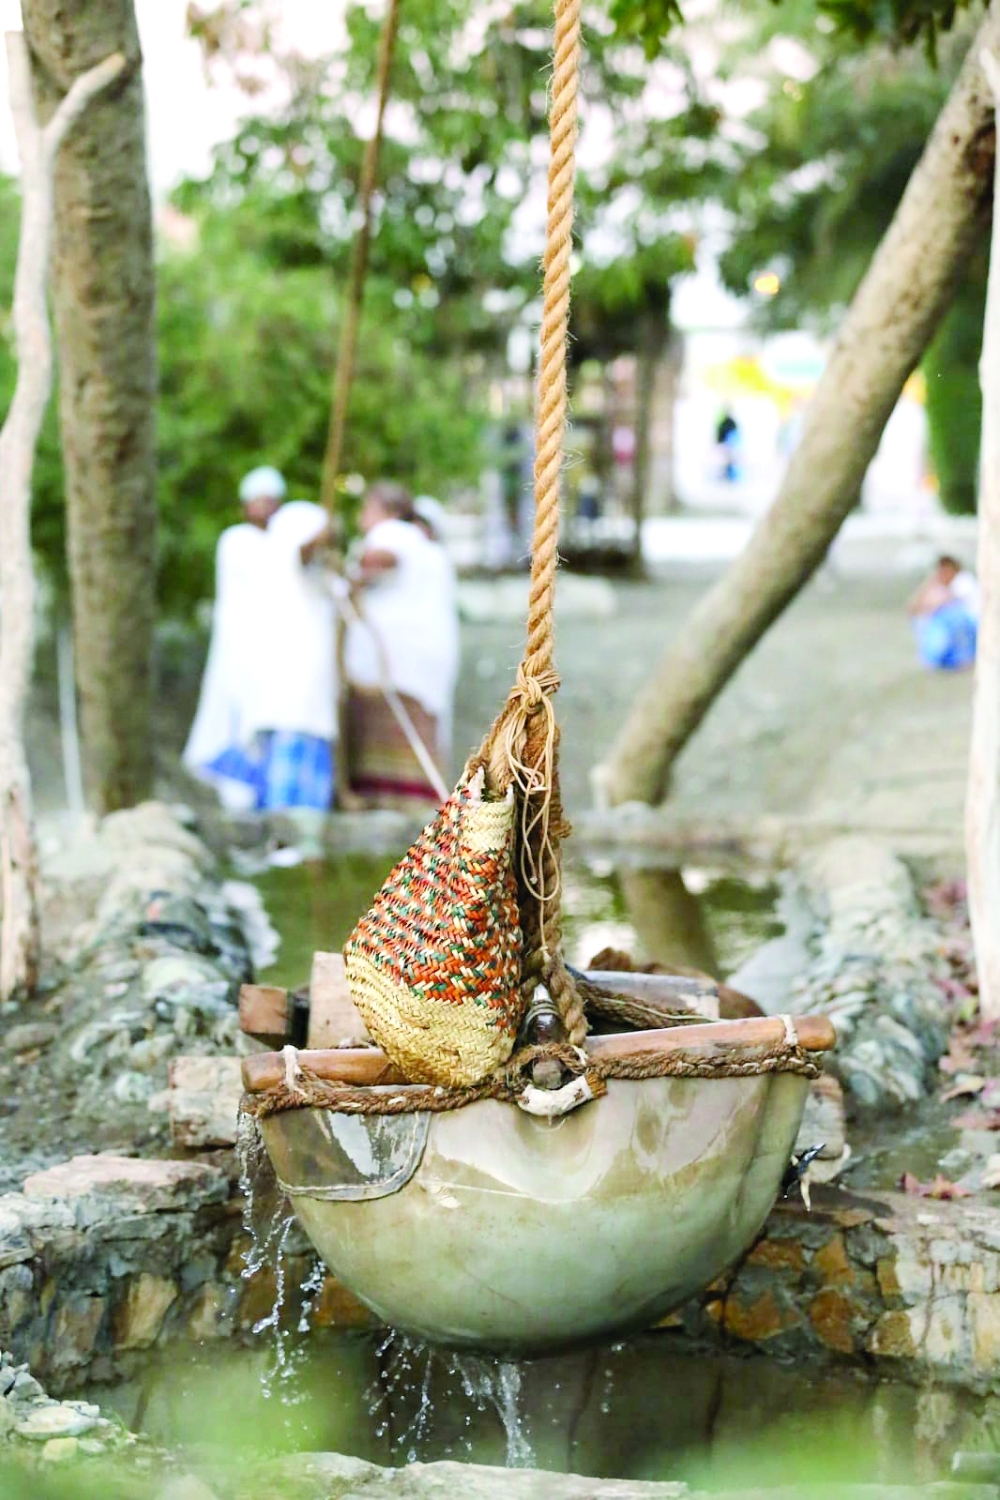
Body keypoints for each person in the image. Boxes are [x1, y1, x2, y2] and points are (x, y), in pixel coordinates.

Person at [183, 466, 340, 826]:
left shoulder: (282, 541)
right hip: (242, 648)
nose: (266, 507)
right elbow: (293, 558)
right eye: (259, 501)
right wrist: (317, 536)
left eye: (272, 501)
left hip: (277, 653)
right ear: (245, 506)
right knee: (241, 726)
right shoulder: (240, 541)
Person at [343, 482, 458, 809]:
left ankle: (385, 800)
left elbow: (380, 559)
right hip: (426, 657)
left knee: (391, 729)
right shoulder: (430, 549)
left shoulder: (392, 533)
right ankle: (414, 802)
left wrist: (350, 571)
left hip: (395, 660)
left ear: (388, 511)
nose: (362, 516)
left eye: (368, 508)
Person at [908, 554, 979, 672]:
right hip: (960, 629)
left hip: (971, 627)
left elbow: (940, 603)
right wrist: (929, 584)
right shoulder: (946, 585)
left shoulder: (963, 581)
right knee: (923, 621)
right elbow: (913, 608)